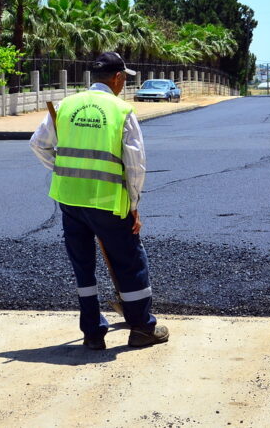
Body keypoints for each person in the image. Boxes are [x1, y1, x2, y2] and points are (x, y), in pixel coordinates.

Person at [30, 51, 168, 350]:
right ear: (117, 78)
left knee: (83, 266)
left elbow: (38, 144)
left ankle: (92, 332)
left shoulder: (66, 105)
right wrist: (133, 206)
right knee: (130, 262)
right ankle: (142, 328)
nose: (124, 85)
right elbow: (135, 164)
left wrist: (65, 171)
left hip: (69, 200)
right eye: (123, 80)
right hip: (107, 201)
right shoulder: (121, 110)